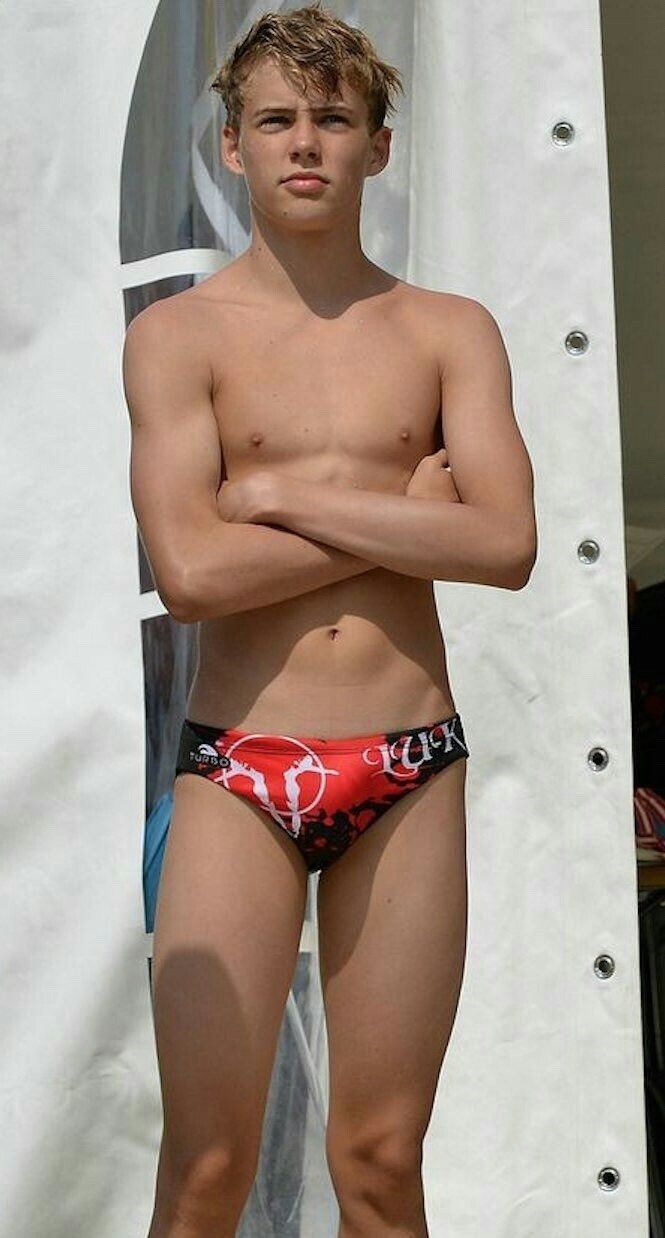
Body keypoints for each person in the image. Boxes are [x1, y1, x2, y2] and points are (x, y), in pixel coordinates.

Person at [122, 4, 537, 1235]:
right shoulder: (176, 336)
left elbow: (505, 545)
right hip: (240, 766)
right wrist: (400, 515)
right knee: (206, 1165)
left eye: (331, 118)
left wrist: (283, 496)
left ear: (378, 146)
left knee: (380, 1161)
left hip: (407, 764)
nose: (303, 142)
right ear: (232, 145)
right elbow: (191, 574)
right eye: (275, 120)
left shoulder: (447, 330)